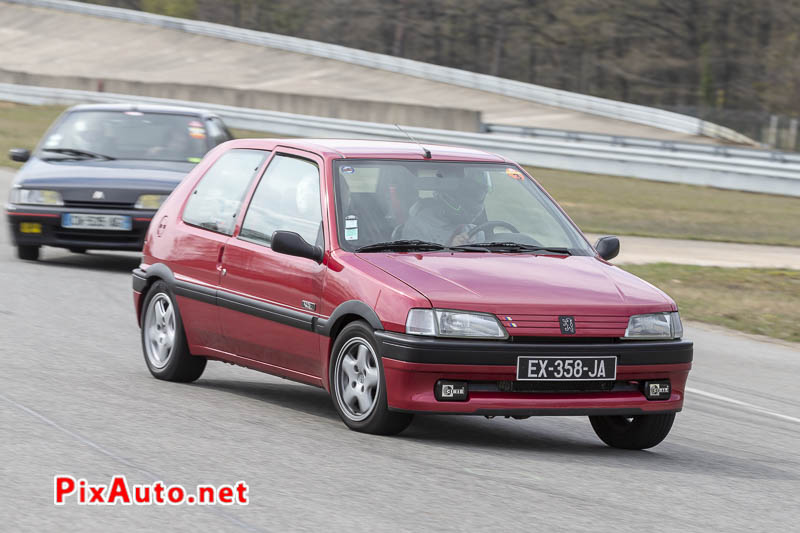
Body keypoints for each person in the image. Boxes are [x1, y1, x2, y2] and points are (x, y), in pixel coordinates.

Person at [400, 171, 490, 245]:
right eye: (469, 197)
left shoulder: (476, 232)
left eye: (479, 197)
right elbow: (415, 264)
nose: (474, 206)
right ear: (448, 196)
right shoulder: (418, 227)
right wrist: (451, 249)